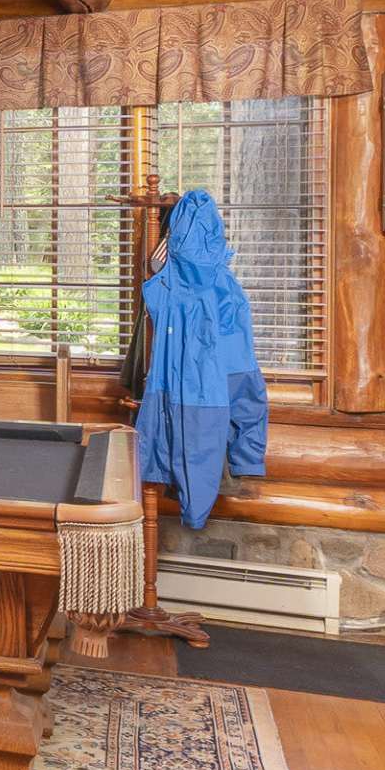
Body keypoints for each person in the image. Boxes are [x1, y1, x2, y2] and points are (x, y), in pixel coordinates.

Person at [135, 188, 268, 530]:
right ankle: (195, 500)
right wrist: (246, 456)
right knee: (193, 455)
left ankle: (192, 500)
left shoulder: (176, 284)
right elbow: (245, 383)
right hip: (198, 403)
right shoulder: (227, 291)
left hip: (189, 401)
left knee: (182, 455)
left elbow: (243, 379)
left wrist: (247, 457)